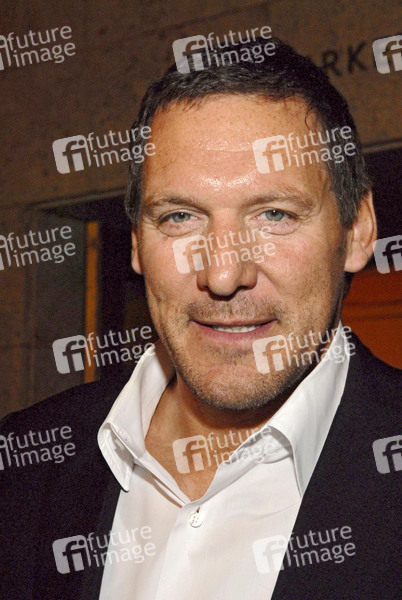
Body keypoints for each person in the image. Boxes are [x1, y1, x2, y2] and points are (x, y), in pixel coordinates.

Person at [0, 37, 400, 600]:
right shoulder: (22, 464)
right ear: (136, 243)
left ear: (357, 230)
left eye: (274, 213)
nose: (223, 274)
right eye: (180, 217)